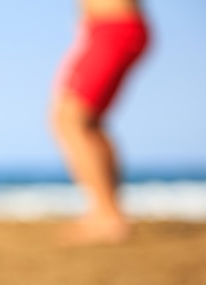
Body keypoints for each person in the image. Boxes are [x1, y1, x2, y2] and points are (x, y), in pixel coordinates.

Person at [51, 0, 150, 244]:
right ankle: (104, 211)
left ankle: (109, 215)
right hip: (104, 29)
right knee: (86, 122)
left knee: (71, 120)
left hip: (113, 28)